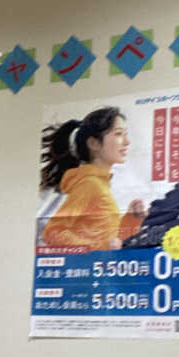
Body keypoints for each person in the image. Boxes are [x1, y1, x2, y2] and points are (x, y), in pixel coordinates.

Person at [40, 106, 144, 251]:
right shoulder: (90, 184)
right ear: (94, 143)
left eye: (125, 134)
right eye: (118, 134)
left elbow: (111, 239)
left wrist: (132, 219)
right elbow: (52, 232)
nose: (127, 142)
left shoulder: (99, 183)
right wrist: (101, 246)